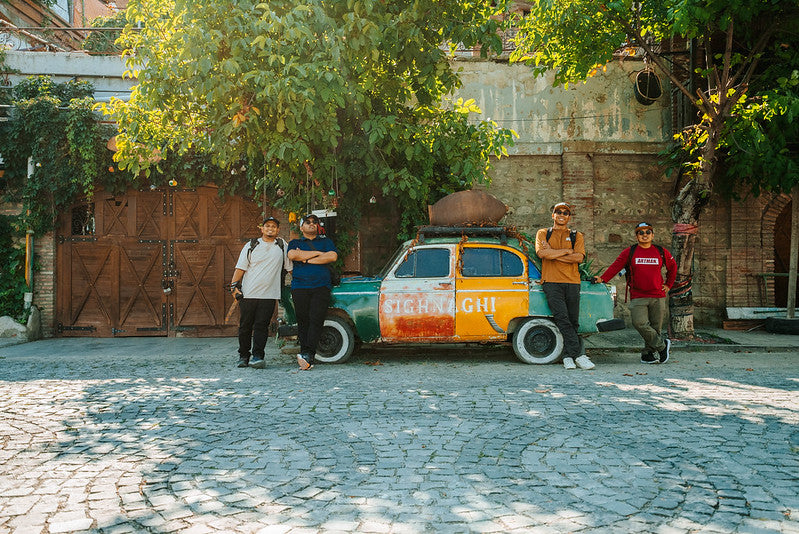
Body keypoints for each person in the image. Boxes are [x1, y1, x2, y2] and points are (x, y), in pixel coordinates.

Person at [593, 222, 677, 364]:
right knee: (639, 323)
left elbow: (673, 267)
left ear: (652, 235)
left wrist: (668, 284)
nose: (644, 235)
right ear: (636, 236)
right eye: (641, 232)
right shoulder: (630, 252)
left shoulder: (661, 251)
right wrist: (603, 278)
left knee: (655, 327)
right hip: (638, 295)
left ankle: (647, 354)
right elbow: (616, 266)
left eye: (648, 232)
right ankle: (662, 346)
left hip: (658, 295)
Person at [535, 202, 595, 370]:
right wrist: (566, 251)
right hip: (551, 281)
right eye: (558, 212)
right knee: (562, 318)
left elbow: (578, 258)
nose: (562, 215)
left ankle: (568, 356)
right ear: (553, 215)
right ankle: (580, 356)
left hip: (572, 281)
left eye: (565, 213)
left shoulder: (576, 235)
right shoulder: (543, 233)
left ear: (569, 217)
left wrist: (553, 254)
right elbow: (541, 253)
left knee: (573, 321)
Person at [230, 216, 292, 369]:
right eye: (267, 226)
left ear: (278, 230)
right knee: (245, 326)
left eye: (274, 226)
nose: (270, 228)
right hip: (249, 293)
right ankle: (243, 356)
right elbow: (240, 268)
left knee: (262, 326)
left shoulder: (282, 245)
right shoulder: (252, 245)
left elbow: (290, 268)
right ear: (262, 229)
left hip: (269, 295)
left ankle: (258, 356)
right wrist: (233, 286)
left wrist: (301, 281)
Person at [287, 213, 338, 370]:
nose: (311, 224)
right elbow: (292, 254)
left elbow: (332, 256)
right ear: (301, 227)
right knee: (303, 320)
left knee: (316, 320)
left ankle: (309, 355)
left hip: (321, 286)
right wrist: (319, 254)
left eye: (314, 222)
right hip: (299, 286)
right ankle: (305, 353)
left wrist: (305, 259)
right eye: (307, 222)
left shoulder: (326, 241)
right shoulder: (295, 242)